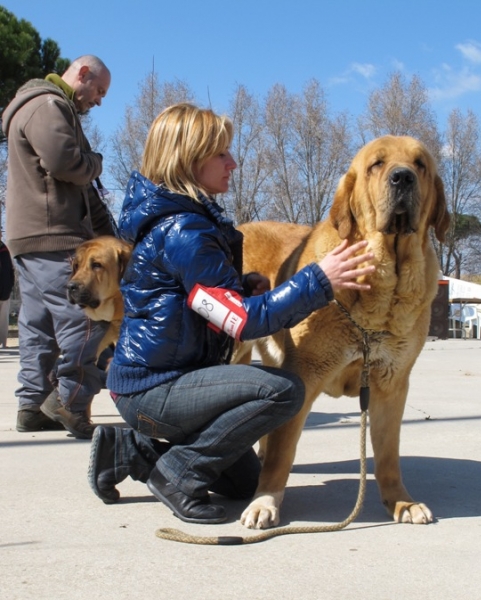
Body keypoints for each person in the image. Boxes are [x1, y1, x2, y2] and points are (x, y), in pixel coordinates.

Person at [87, 102, 376, 524]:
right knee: (284, 390)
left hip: (163, 382)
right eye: (221, 154)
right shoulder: (185, 231)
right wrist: (319, 279)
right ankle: (176, 473)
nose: (233, 163)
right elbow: (241, 321)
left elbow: (198, 300)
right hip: (154, 389)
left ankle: (131, 450)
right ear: (189, 159)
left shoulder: (184, 221)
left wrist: (240, 287)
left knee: (244, 482)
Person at [1, 55, 116, 438]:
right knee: (86, 319)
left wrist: (108, 232)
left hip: (28, 235)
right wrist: (97, 161)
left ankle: (33, 406)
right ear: (81, 73)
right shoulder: (47, 105)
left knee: (38, 326)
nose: (98, 100)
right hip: (55, 233)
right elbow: (66, 163)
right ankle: (70, 401)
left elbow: (81, 189)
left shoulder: (42, 107)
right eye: (98, 90)